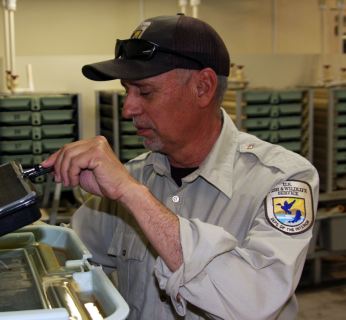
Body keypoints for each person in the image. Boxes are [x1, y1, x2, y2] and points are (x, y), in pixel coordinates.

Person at [42, 14, 319, 320]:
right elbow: (66, 256)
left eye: (145, 92)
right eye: (126, 91)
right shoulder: (134, 177)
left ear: (203, 87)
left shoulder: (282, 180)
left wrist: (134, 197)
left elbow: (254, 302)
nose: (128, 109)